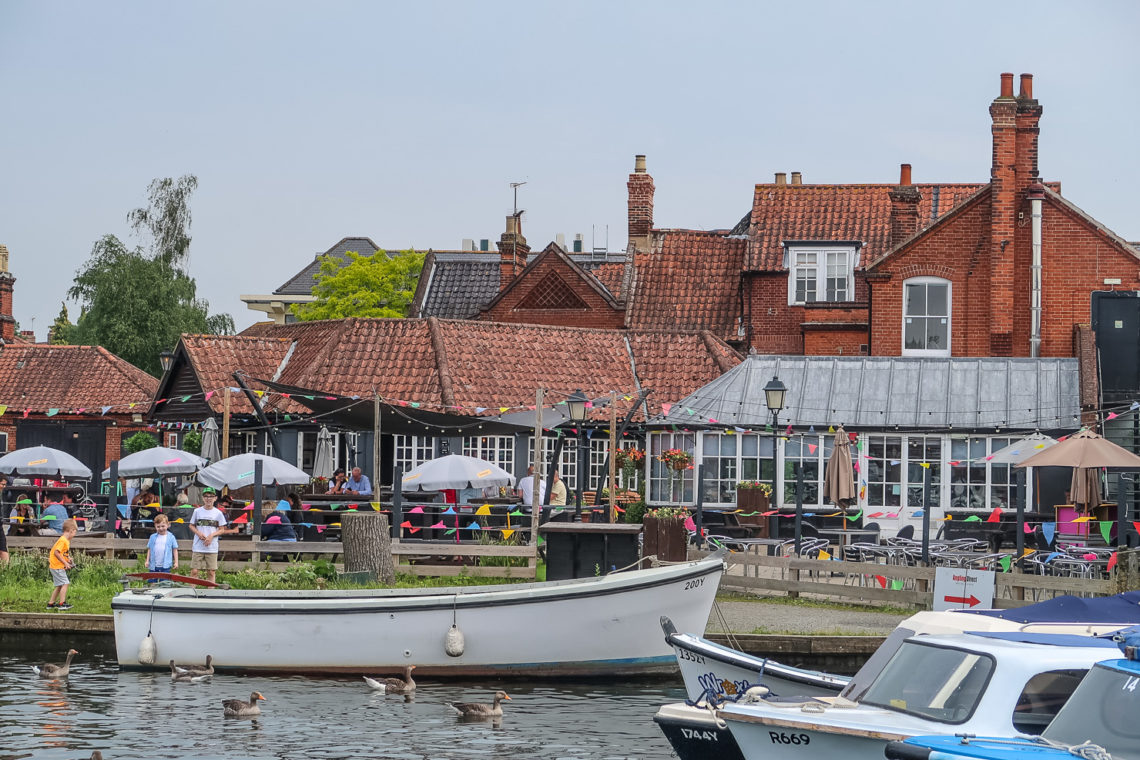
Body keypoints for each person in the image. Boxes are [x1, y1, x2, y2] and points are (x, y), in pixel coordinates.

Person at [188, 488, 236, 583]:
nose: (208, 499)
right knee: (194, 570)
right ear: (203, 498)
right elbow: (191, 525)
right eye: (206, 496)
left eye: (211, 496)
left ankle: (210, 591)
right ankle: (192, 591)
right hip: (198, 546)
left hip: (212, 547)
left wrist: (211, 536)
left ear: (215, 498)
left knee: (211, 571)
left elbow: (222, 529)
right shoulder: (197, 511)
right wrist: (198, 533)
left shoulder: (218, 513)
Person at [47, 518, 77, 610]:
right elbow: (56, 552)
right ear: (71, 530)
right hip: (57, 566)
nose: (75, 534)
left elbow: (61, 553)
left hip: (56, 566)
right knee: (65, 583)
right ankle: (62, 603)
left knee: (59, 585)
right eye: (75, 532)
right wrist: (65, 563)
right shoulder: (63, 540)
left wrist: (68, 559)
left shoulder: (65, 541)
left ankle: (51, 604)